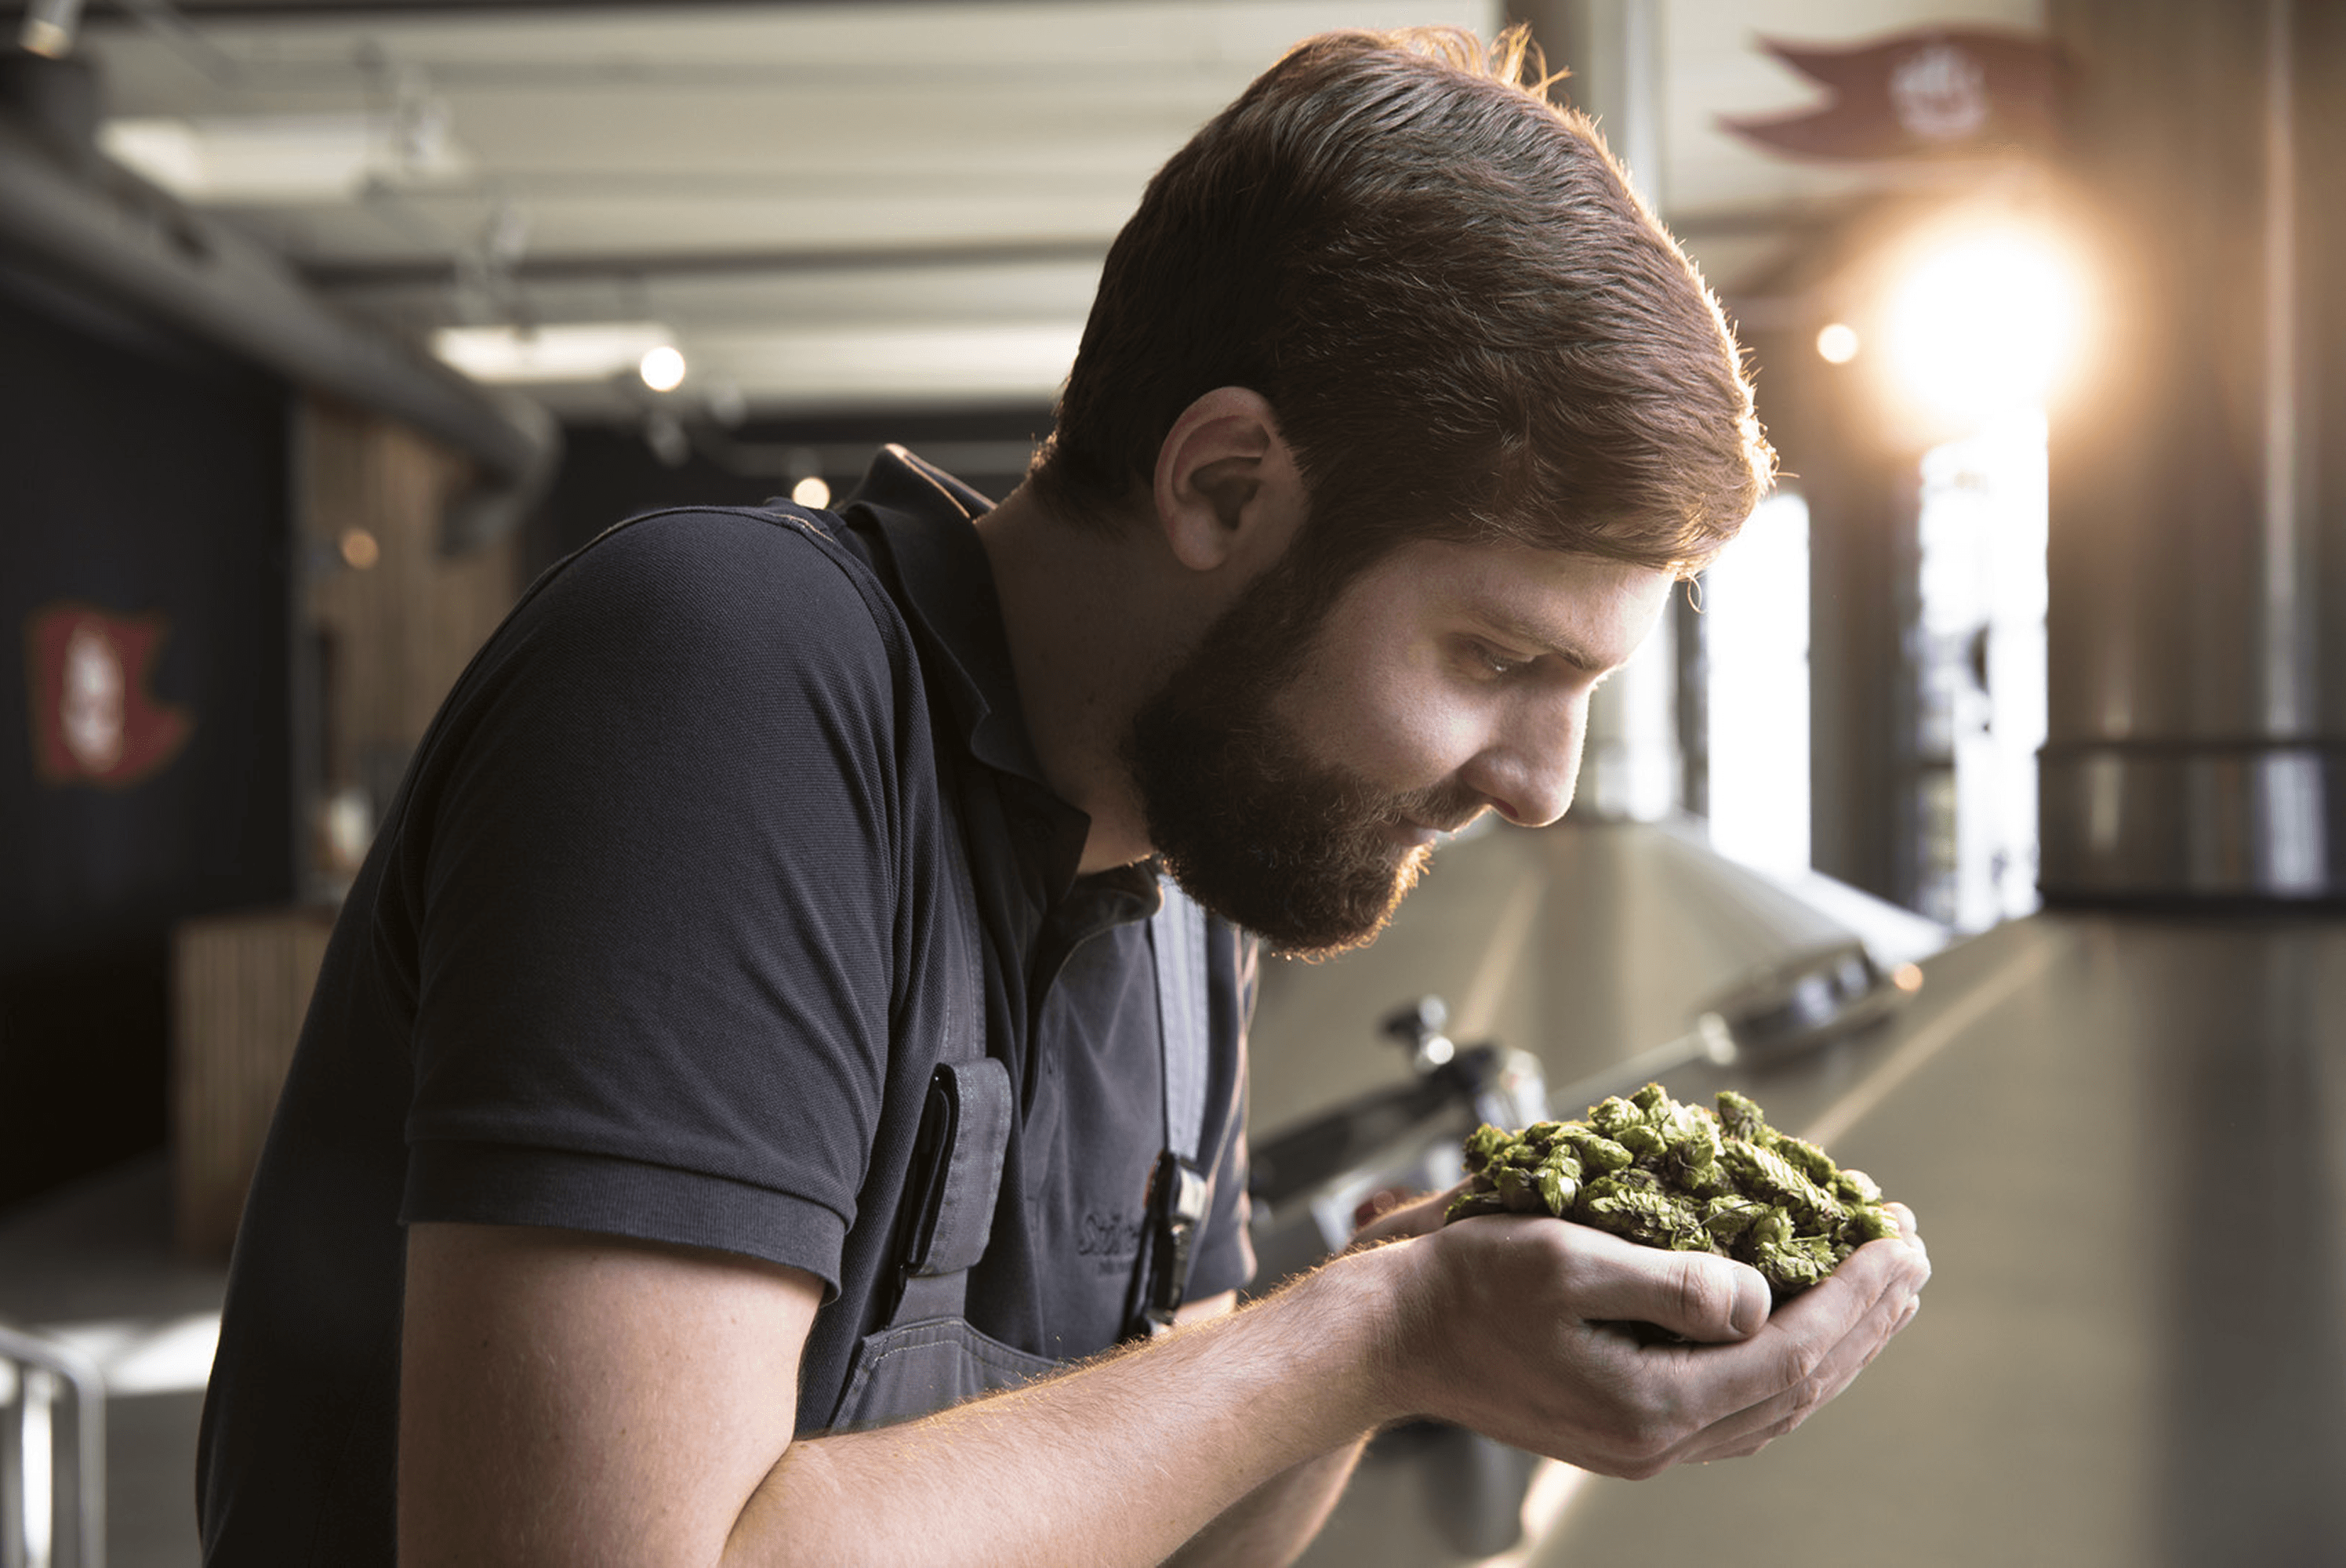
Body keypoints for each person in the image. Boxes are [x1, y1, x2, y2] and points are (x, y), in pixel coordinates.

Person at [196, 26, 1930, 1566]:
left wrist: (1414, 1312)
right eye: (1492, 655)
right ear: (1223, 483)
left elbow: (1177, 1526)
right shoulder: (725, 675)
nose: (1543, 786)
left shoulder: (1188, 883)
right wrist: (1368, 1329)